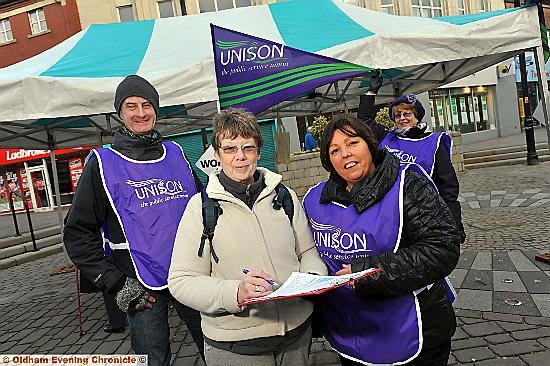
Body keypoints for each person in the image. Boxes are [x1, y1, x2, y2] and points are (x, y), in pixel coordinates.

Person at [168, 108, 327, 366]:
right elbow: (180, 281)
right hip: (235, 348)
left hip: (297, 336)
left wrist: (312, 279)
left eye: (248, 148)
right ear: (217, 154)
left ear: (258, 151)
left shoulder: (284, 196)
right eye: (230, 149)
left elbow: (307, 252)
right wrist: (235, 292)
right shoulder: (199, 208)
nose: (240, 157)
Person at [63, 74, 204, 366]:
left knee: (214, 347)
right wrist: (114, 282)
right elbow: (77, 234)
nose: (140, 113)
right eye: (131, 106)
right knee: (153, 359)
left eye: (146, 104)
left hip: (191, 274)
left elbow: (203, 209)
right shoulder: (102, 164)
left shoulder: (177, 154)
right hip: (140, 283)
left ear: (156, 108)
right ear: (120, 113)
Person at [302, 115, 461, 365]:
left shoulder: (408, 183)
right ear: (328, 160)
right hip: (349, 332)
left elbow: (442, 248)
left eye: (352, 143)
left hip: (413, 330)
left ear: (370, 144)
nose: (345, 153)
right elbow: (306, 251)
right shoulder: (313, 200)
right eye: (335, 150)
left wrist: (368, 273)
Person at [358, 74, 465, 240]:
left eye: (407, 114)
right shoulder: (386, 137)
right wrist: (372, 91)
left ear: (417, 116)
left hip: (423, 215)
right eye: (397, 115)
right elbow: (364, 120)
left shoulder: (433, 142)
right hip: (388, 214)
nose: (402, 118)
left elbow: (448, 188)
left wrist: (455, 224)